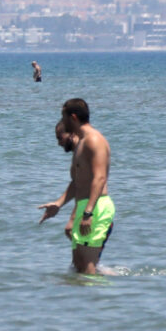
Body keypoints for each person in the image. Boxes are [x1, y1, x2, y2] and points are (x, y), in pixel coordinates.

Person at [38, 97, 113, 275]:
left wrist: (88, 212)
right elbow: (78, 182)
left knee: (87, 268)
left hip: (95, 208)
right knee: (79, 266)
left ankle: (101, 301)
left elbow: (99, 178)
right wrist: (58, 203)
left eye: (63, 117)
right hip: (85, 206)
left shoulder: (93, 140)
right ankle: (79, 302)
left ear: (72, 118)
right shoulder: (81, 143)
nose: (62, 122)